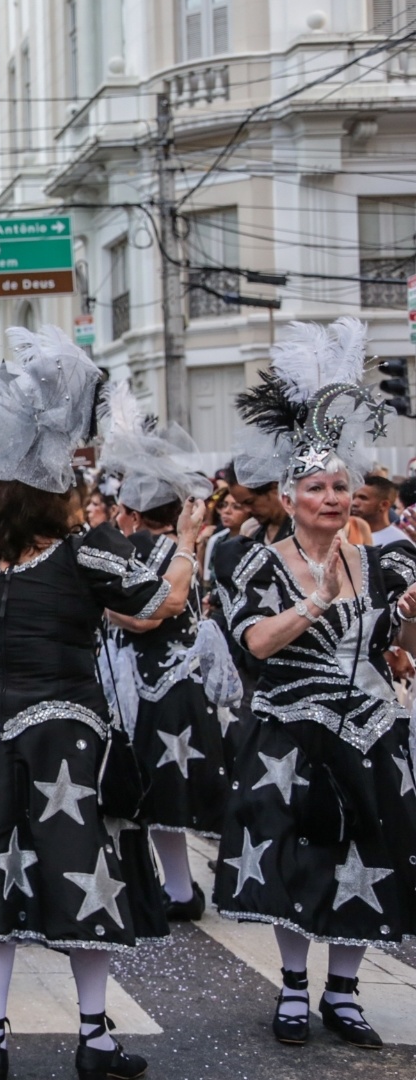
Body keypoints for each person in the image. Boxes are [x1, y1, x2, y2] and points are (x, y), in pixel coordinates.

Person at [0, 328, 201, 1080]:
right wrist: (187, 541)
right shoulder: (87, 548)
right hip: (62, 735)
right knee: (79, 879)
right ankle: (93, 1037)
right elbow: (156, 602)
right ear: (55, 488)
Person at [215, 319, 416, 1051]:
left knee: (370, 856)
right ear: (291, 496)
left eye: (341, 487)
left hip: (369, 729)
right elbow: (256, 645)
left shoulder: (381, 565)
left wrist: (411, 623)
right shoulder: (257, 566)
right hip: (288, 731)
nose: (332, 498)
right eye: (316, 487)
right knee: (295, 856)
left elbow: (395, 648)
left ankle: (346, 992)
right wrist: (313, 602)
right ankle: (294, 988)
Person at [94, 383, 229, 924]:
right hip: (179, 683)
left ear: (128, 509)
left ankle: (165, 889)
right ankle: (178, 887)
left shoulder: (134, 550)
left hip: (144, 686)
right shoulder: (186, 547)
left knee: (142, 788)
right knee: (167, 791)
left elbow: (147, 614)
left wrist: (102, 605)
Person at [351, 474, 406, 547]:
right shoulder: (343, 535)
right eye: (353, 497)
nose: (354, 503)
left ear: (384, 505)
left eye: (363, 498)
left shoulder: (400, 542)